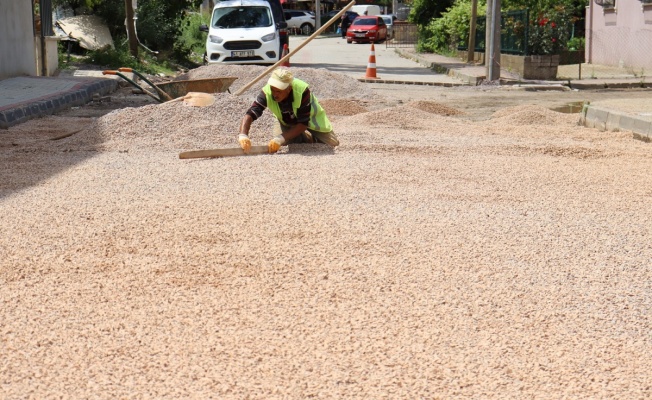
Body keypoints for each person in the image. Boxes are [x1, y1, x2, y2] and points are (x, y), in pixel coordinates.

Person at [238, 68, 339, 154]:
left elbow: (303, 123)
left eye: (279, 91)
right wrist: (243, 135)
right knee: (283, 143)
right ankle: (303, 137)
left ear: (289, 89)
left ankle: (309, 136)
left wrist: (280, 138)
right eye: (273, 89)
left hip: (311, 119)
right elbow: (251, 113)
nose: (274, 94)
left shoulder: (302, 91)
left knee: (332, 143)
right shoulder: (267, 91)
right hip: (285, 120)